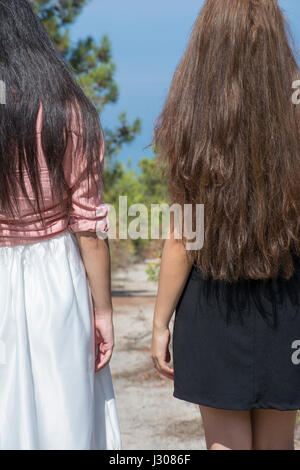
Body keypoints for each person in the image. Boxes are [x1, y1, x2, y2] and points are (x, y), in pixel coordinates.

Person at [151, 0, 300, 451]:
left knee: (226, 444)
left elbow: (183, 236)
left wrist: (160, 324)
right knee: (279, 443)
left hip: (213, 303)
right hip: (287, 300)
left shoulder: (192, 118)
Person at [0, 0, 121, 450]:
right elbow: (89, 225)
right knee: (64, 418)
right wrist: (104, 312)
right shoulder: (69, 109)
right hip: (57, 275)